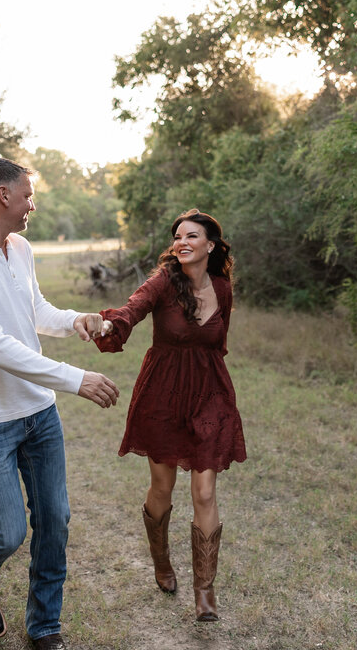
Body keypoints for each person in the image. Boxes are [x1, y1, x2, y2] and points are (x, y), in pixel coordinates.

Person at [0, 157, 120, 650]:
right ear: (3, 195)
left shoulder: (19, 248)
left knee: (54, 521)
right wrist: (76, 379)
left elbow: (34, 310)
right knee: (7, 533)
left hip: (38, 414)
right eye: (28, 195)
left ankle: (44, 627)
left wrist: (75, 319)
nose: (32, 205)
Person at [93, 209, 246, 622]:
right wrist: (109, 326)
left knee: (205, 493)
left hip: (210, 395)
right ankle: (161, 562)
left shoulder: (222, 287)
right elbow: (133, 308)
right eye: (178, 236)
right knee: (162, 488)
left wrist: (213, 390)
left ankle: (205, 592)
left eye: (191, 236)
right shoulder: (163, 280)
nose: (182, 242)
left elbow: (219, 343)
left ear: (210, 245)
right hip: (163, 394)